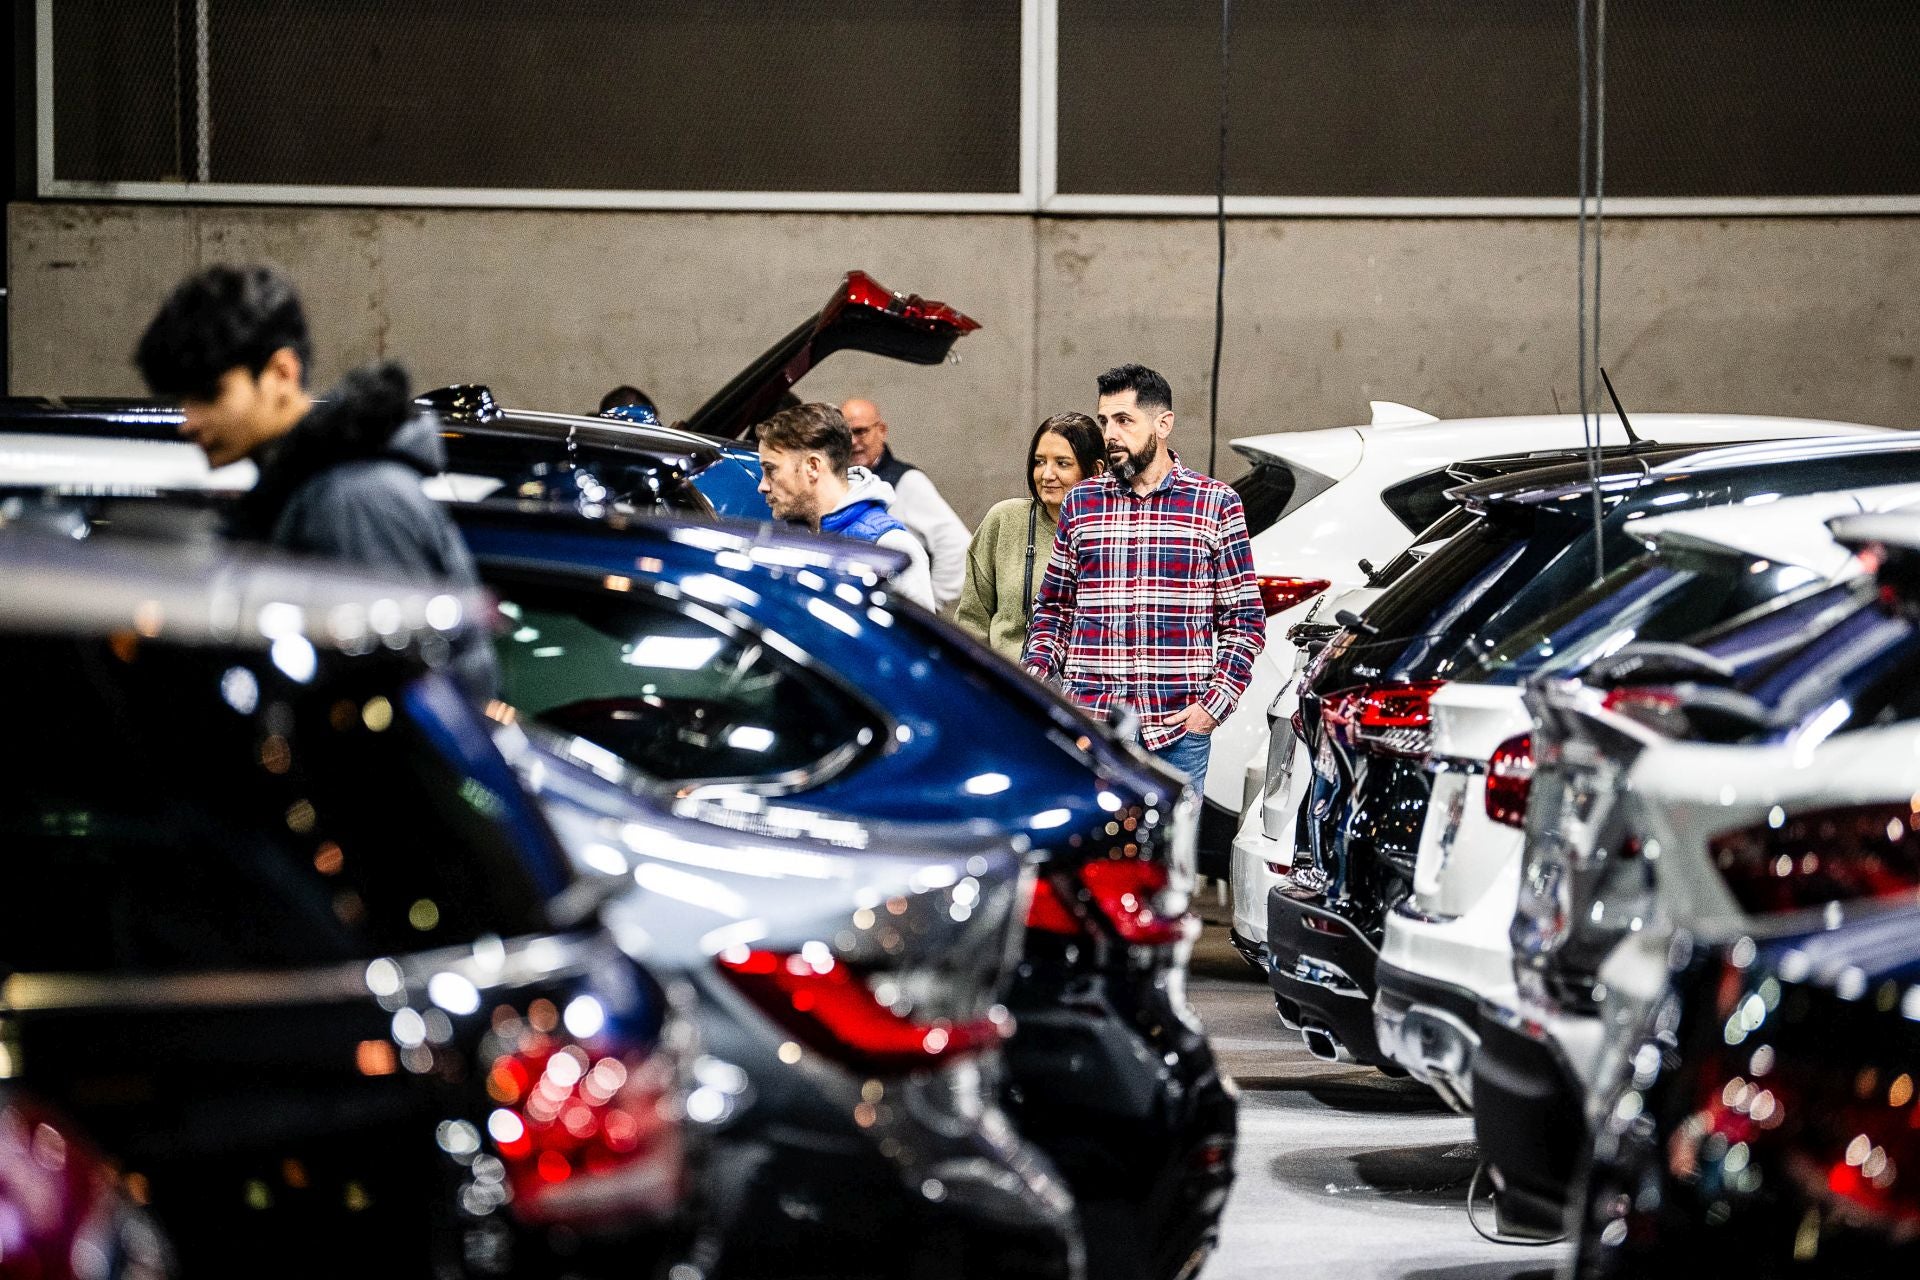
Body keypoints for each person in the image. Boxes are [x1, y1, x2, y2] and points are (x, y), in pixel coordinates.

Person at [134, 263, 494, 698]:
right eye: (182, 398)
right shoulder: (313, 492)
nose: (187, 422)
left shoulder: (351, 503)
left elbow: (394, 705)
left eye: (209, 395)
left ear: (281, 373)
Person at [1022, 364, 1264, 790]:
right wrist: (1038, 684)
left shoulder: (1215, 503)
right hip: (1094, 728)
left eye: (1124, 420)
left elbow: (1244, 621)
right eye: (1103, 421)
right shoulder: (1082, 502)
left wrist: (1212, 707)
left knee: (1172, 855)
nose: (1110, 433)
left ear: (1163, 424)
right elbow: (1054, 610)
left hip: (1177, 730)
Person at [756, 402, 936, 610]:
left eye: (771, 470)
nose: (763, 486)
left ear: (813, 467)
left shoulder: (889, 546)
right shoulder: (796, 540)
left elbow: (911, 642)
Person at [955, 412, 1105, 661]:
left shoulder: (1115, 532)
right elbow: (972, 621)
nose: (1046, 474)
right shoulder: (1005, 520)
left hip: (1082, 693)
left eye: (1062, 463)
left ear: (1095, 470)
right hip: (1007, 687)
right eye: (1039, 462)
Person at [840, 397, 970, 611]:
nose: (853, 442)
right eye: (846, 434)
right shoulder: (848, 483)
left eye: (861, 431)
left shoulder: (906, 481)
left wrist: (929, 606)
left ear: (881, 430)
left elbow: (957, 547)